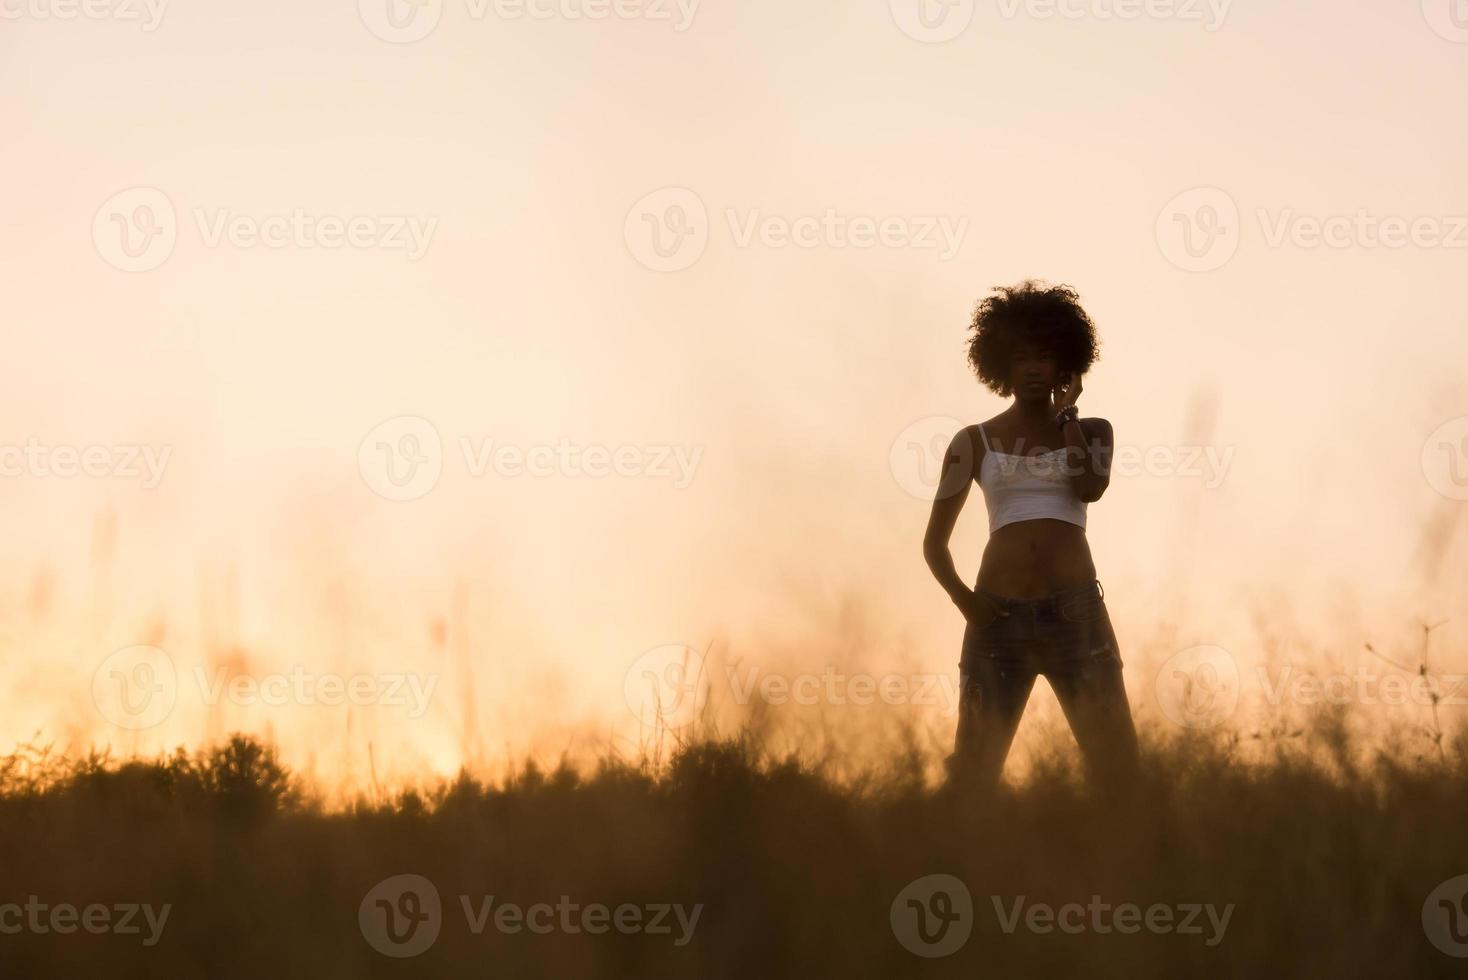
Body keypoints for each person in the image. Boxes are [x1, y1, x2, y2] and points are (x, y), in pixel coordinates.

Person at [923, 280, 1139, 797]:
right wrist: (966, 601)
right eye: (1022, 358)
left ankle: (1131, 871)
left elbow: (1089, 487)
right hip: (997, 623)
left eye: (1045, 357)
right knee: (973, 775)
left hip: (1077, 618)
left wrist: (1068, 415)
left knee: (1119, 773)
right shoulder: (971, 442)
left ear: (1066, 363)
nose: (1034, 368)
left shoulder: (1093, 431)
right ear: (1003, 367)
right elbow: (934, 544)